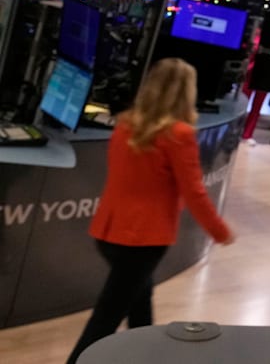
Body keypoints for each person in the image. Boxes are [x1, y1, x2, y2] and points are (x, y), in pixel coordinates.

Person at [66, 58, 235, 364]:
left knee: (140, 304)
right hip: (142, 240)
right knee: (104, 321)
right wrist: (220, 231)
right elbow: (194, 193)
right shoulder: (179, 135)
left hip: (109, 233)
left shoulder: (126, 124)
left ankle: (147, 357)